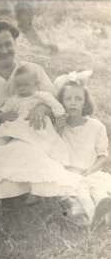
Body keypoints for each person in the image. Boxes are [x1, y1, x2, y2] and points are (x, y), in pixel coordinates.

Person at [0, 15, 78, 200]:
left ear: (15, 43)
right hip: (1, 133)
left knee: (27, 150)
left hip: (32, 132)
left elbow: (53, 99)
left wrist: (41, 109)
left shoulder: (32, 70)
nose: (4, 50)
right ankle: (11, 188)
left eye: (8, 44)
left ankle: (34, 186)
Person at [55, 71, 111, 225]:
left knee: (98, 190)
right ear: (61, 102)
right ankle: (94, 218)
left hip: (91, 171)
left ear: (85, 103)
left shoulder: (96, 126)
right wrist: (57, 130)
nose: (73, 103)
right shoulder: (59, 127)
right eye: (68, 99)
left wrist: (91, 170)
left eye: (78, 99)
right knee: (82, 195)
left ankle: (104, 210)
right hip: (69, 175)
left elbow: (103, 156)